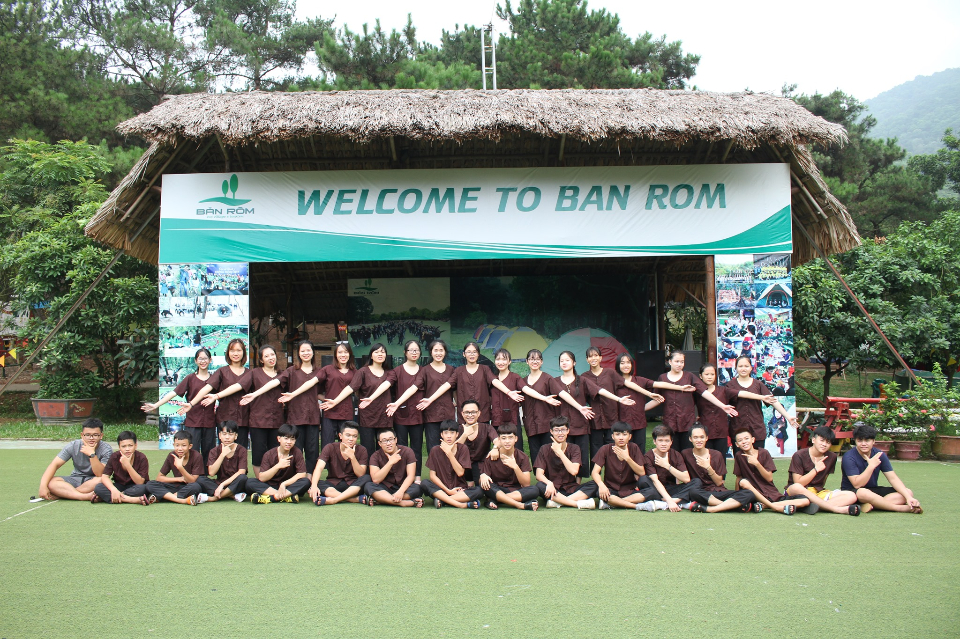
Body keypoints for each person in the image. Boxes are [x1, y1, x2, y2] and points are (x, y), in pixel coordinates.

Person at [548, 351, 638, 476]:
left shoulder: (582, 380)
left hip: (581, 423)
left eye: (567, 360)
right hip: (562, 426)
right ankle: (564, 483)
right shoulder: (554, 381)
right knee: (564, 453)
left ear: (574, 363)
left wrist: (619, 399)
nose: (564, 363)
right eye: (561, 361)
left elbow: (599, 390)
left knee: (582, 454)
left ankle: (578, 483)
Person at [354, 341, 424, 479]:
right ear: (405, 352)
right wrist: (371, 398)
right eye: (411, 350)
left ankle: (414, 477)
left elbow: (414, 388)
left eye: (416, 350)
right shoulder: (395, 371)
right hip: (396, 415)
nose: (414, 352)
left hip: (414, 415)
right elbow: (386, 384)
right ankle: (380, 477)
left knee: (414, 447)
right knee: (394, 447)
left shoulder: (423, 371)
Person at [584, 347, 665, 459]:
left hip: (612, 418)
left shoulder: (610, 373)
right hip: (595, 419)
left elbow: (627, 383)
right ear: (587, 359)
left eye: (596, 355)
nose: (593, 358)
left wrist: (649, 394)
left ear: (601, 358)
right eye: (590, 356)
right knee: (595, 450)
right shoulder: (584, 377)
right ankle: (595, 470)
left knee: (613, 451)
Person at [143, 347, 216, 467]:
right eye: (200, 358)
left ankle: (205, 477)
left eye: (205, 358)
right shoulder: (190, 378)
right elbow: (174, 393)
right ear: (195, 361)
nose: (203, 361)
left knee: (209, 452)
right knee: (192, 453)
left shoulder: (215, 379)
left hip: (209, 422)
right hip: (193, 422)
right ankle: (192, 476)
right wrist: (156, 405)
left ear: (210, 360)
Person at [320, 343, 396, 458]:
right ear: (371, 356)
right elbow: (351, 387)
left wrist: (373, 398)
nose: (380, 354)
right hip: (367, 416)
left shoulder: (390, 373)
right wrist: (335, 401)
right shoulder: (362, 371)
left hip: (385, 415)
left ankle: (385, 469)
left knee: (385, 449)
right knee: (368, 449)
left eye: (382, 352)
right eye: (376, 352)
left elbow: (387, 386)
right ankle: (368, 470)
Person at [658, 350, 738, 451]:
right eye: (677, 361)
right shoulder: (662, 378)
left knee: (688, 453)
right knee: (673, 454)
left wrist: (722, 406)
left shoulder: (689, 376)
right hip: (670, 422)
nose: (679, 364)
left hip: (687, 422)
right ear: (670, 362)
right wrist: (642, 408)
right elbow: (657, 398)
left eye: (682, 362)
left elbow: (704, 392)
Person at [393, 339, 456, 458]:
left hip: (448, 414)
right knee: (433, 449)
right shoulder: (425, 370)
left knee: (450, 448)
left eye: (441, 350)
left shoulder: (451, 369)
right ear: (431, 352)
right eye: (435, 350)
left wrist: (456, 401)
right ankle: (434, 470)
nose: (438, 353)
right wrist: (397, 403)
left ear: (445, 352)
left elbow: (454, 388)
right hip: (431, 415)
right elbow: (413, 388)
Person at [840, 424, 922, 514]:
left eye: (867, 440)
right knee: (863, 492)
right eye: (860, 441)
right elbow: (857, 484)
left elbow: (893, 478)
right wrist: (871, 466)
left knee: (907, 492)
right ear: (855, 441)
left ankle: (872, 505)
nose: (863, 444)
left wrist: (908, 498)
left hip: (873, 490)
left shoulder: (879, 454)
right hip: (853, 493)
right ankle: (898, 508)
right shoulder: (849, 457)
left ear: (873, 441)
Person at [721, 356, 797, 449]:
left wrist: (788, 417)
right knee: (740, 457)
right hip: (738, 428)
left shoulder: (758, 384)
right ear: (736, 368)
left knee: (759, 456)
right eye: (740, 366)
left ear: (751, 368)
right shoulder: (730, 385)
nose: (743, 369)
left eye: (746, 366)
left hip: (756, 427)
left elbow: (772, 401)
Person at [190, 339, 252, 451]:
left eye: (239, 350)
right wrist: (191, 404)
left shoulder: (250, 373)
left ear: (244, 352)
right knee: (223, 452)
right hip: (224, 418)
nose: (235, 353)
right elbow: (207, 388)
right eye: (232, 350)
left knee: (240, 452)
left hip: (243, 419)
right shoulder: (222, 371)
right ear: (228, 352)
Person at [683, 425, 760, 513]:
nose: (699, 440)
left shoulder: (716, 454)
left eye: (702, 437)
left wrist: (708, 467)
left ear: (706, 438)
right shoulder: (685, 454)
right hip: (701, 493)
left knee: (749, 493)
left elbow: (719, 482)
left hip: (718, 491)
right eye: (695, 437)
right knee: (693, 492)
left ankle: (712, 509)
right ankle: (731, 506)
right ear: (690, 439)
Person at [783, 426, 860, 515]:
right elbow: (798, 482)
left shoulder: (832, 457)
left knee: (851, 496)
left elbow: (822, 482)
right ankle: (835, 509)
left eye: (828, 442)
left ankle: (812, 506)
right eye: (822, 440)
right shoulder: (799, 455)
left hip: (817, 492)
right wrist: (816, 470)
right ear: (813, 440)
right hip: (797, 492)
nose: (824, 444)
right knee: (796, 487)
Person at [732, 427, 810, 515]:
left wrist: (757, 463)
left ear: (753, 440)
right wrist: (737, 496)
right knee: (744, 483)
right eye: (740, 440)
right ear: (737, 444)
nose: (744, 442)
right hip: (755, 494)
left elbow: (769, 478)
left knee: (805, 500)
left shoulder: (764, 453)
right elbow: (739, 477)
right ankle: (775, 506)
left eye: (746, 438)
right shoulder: (739, 456)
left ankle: (765, 506)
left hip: (771, 492)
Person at [38, 418, 112, 502]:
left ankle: (66, 494)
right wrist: (43, 486)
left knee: (102, 480)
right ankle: (83, 496)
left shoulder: (106, 449)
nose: (91, 438)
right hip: (75, 478)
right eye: (87, 435)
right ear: (82, 435)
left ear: (101, 436)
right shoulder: (73, 445)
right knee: (51, 482)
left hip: (93, 480)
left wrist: (92, 455)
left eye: (95, 435)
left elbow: (100, 474)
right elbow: (54, 464)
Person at [534, 416, 599, 509]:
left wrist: (560, 453)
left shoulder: (574, 448)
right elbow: (538, 475)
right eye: (556, 430)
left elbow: (574, 471)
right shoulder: (544, 449)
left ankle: (558, 502)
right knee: (540, 485)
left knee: (595, 484)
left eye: (563, 430)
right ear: (551, 431)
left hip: (571, 489)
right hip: (553, 490)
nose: (560, 433)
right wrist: (549, 483)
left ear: (568, 431)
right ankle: (575, 503)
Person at [238, 345, 284, 475]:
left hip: (277, 421)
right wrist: (217, 396)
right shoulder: (254, 373)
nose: (271, 358)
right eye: (266, 356)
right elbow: (239, 386)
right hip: (258, 421)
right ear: (261, 360)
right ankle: (260, 482)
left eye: (272, 354)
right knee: (258, 454)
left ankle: (274, 481)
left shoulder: (282, 374)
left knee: (275, 453)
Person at [420, 420, 484, 509]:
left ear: (457, 434)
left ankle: (443, 501)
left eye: (452, 433)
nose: (449, 436)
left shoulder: (463, 448)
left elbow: (460, 473)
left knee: (479, 490)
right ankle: (460, 504)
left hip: (459, 489)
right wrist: (448, 491)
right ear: (441, 435)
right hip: (441, 490)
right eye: (446, 433)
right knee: (424, 483)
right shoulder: (435, 450)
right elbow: (432, 476)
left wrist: (449, 454)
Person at [636, 425, 701, 511]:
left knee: (696, 482)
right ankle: (679, 502)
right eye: (660, 441)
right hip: (655, 489)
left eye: (667, 441)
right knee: (643, 480)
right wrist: (670, 501)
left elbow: (686, 479)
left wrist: (667, 466)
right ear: (654, 441)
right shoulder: (648, 456)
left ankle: (664, 503)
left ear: (671, 442)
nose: (663, 444)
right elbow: (655, 481)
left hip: (671, 488)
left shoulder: (676, 454)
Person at [308, 421, 370, 506]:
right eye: (348, 435)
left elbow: (360, 474)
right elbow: (319, 468)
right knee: (317, 483)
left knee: (367, 478)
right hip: (334, 484)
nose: (351, 439)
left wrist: (352, 457)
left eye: (354, 436)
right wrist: (314, 486)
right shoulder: (330, 447)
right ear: (340, 436)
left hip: (353, 485)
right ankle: (353, 499)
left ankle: (334, 499)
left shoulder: (362, 450)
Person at [589, 421, 649, 510]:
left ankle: (614, 503)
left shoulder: (634, 447)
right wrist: (601, 486)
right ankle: (636, 506)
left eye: (624, 435)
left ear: (630, 436)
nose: (621, 438)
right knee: (600, 493)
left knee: (651, 490)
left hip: (630, 489)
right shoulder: (605, 449)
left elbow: (642, 472)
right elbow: (595, 472)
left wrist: (627, 458)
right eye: (617, 434)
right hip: (610, 489)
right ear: (612, 436)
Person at [478, 424, 538, 510]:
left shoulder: (523, 457)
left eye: (510, 438)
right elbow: (484, 480)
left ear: (516, 439)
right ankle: (519, 505)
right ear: (499, 440)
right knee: (485, 485)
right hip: (497, 489)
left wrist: (515, 467)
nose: (507, 441)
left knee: (534, 489)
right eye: (503, 438)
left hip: (515, 490)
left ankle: (496, 500)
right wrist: (483, 476)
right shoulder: (491, 456)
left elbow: (526, 484)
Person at [246, 423, 310, 504]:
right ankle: (286, 497)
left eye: (292, 439)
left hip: (289, 485)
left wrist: (284, 484)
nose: (289, 442)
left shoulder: (297, 452)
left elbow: (302, 474)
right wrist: (278, 466)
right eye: (286, 438)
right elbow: (262, 478)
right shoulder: (269, 454)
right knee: (250, 482)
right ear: (279, 439)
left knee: (306, 481)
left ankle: (272, 498)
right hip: (271, 486)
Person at [613, 353, 663, 453]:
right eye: (622, 363)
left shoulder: (640, 381)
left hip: (639, 423)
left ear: (632, 365)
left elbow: (658, 385)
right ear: (618, 365)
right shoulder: (613, 382)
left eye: (628, 362)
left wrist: (680, 387)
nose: (626, 365)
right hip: (621, 425)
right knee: (623, 453)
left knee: (640, 452)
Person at [519, 349, 561, 464]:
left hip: (547, 423)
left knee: (550, 456)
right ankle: (539, 476)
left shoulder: (547, 378)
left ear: (542, 362)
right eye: (532, 359)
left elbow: (560, 395)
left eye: (538, 359)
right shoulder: (522, 382)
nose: (535, 361)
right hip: (531, 424)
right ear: (527, 361)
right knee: (535, 457)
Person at [192, 420, 248, 503]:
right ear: (219, 435)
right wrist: (222, 455)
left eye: (230, 434)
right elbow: (211, 473)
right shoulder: (214, 451)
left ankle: (214, 498)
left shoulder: (242, 450)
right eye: (224, 434)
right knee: (200, 479)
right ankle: (231, 495)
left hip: (235, 482)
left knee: (243, 478)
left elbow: (241, 472)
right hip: (217, 483)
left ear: (236, 436)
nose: (227, 437)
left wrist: (222, 485)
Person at [364, 428, 423, 507]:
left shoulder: (408, 451)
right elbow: (376, 479)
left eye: (391, 439)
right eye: (384, 441)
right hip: (385, 488)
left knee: (417, 488)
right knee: (369, 486)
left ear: (396, 440)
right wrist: (390, 463)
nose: (388, 443)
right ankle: (405, 503)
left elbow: (411, 476)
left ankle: (382, 500)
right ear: (379, 443)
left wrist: (400, 492)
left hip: (404, 487)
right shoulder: (375, 456)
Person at [145, 430, 203, 505]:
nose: (180, 449)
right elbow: (159, 478)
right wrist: (178, 479)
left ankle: (164, 497)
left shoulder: (196, 456)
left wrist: (180, 467)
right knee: (150, 484)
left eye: (184, 445)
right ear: (173, 445)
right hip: (175, 486)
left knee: (196, 487)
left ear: (190, 446)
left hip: (188, 487)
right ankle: (182, 500)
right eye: (177, 445)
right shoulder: (171, 455)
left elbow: (192, 481)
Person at [92, 430, 150, 505]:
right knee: (99, 487)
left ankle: (115, 497)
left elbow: (140, 482)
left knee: (144, 488)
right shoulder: (114, 457)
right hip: (119, 485)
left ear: (135, 445)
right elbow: (105, 476)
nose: (127, 449)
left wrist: (128, 465)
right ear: (119, 447)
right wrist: (113, 490)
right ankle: (132, 500)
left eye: (130, 445)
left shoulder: (141, 458)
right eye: (123, 446)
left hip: (135, 486)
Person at [694, 364, 737, 455]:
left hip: (721, 431)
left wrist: (761, 397)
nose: (710, 377)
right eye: (707, 374)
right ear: (701, 376)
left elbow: (739, 393)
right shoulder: (696, 392)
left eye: (712, 374)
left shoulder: (723, 390)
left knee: (721, 459)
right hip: (704, 431)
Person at [456, 399, 500, 485]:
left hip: (481, 464)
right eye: (467, 412)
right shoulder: (458, 429)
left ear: (479, 413)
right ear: (462, 414)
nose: (470, 415)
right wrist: (465, 435)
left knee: (484, 485)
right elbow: (452, 449)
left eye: (473, 412)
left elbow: (497, 440)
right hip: (462, 465)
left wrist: (495, 448)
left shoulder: (486, 428)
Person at [491, 348, 525, 452]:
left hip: (512, 420)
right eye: (498, 359)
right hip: (497, 420)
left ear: (509, 361)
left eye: (504, 359)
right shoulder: (492, 379)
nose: (500, 362)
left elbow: (524, 394)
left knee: (516, 450)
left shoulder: (515, 377)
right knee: (499, 450)